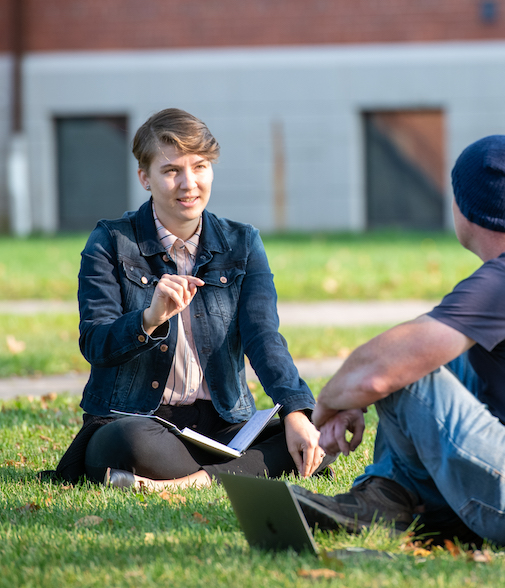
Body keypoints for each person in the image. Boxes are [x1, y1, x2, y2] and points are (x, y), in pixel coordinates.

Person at [293, 135, 505, 546]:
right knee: (425, 355)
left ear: (463, 205)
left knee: (405, 369)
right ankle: (387, 497)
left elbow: (379, 371)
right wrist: (359, 397)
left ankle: (386, 500)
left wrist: (330, 406)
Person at [48, 108, 326, 490]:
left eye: (200, 167)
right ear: (145, 178)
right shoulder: (110, 241)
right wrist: (149, 319)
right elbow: (95, 343)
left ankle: (184, 483)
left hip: (224, 424)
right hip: (138, 421)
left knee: (314, 437)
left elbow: (264, 338)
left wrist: (295, 411)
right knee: (128, 442)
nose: (189, 183)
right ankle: (229, 474)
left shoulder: (243, 243)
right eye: (171, 171)